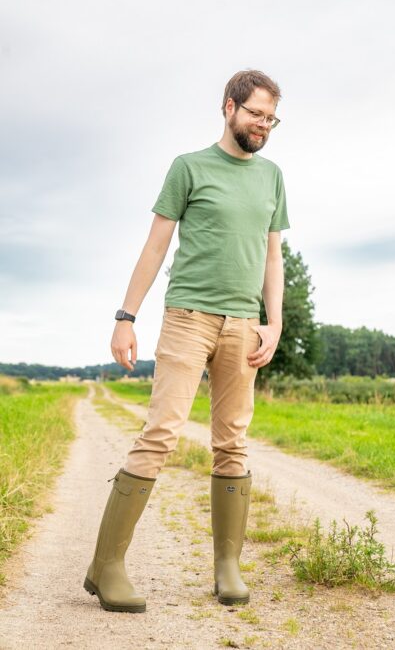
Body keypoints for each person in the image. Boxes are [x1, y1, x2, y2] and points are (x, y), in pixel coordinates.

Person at [84, 69, 290, 613]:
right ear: (229, 107)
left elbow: (273, 256)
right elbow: (154, 248)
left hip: (245, 325)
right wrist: (126, 316)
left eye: (271, 118)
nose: (263, 126)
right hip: (188, 318)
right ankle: (106, 567)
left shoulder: (272, 177)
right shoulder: (189, 167)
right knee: (161, 434)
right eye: (255, 114)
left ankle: (227, 567)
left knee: (233, 443)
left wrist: (275, 322)